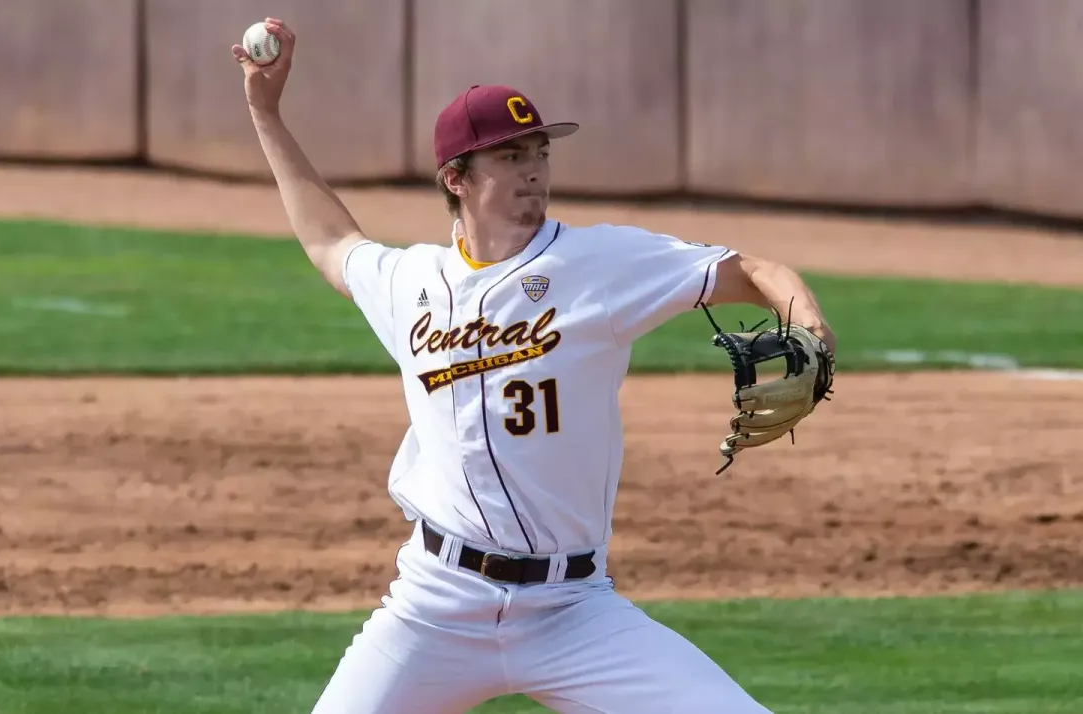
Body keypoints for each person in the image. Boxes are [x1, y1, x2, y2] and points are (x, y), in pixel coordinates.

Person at [233, 17, 835, 714]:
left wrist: (810, 324)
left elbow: (754, 270)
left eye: (540, 152)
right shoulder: (410, 282)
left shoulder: (599, 263)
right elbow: (332, 241)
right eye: (511, 156)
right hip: (435, 606)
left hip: (573, 611)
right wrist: (264, 112)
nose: (533, 171)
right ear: (456, 178)